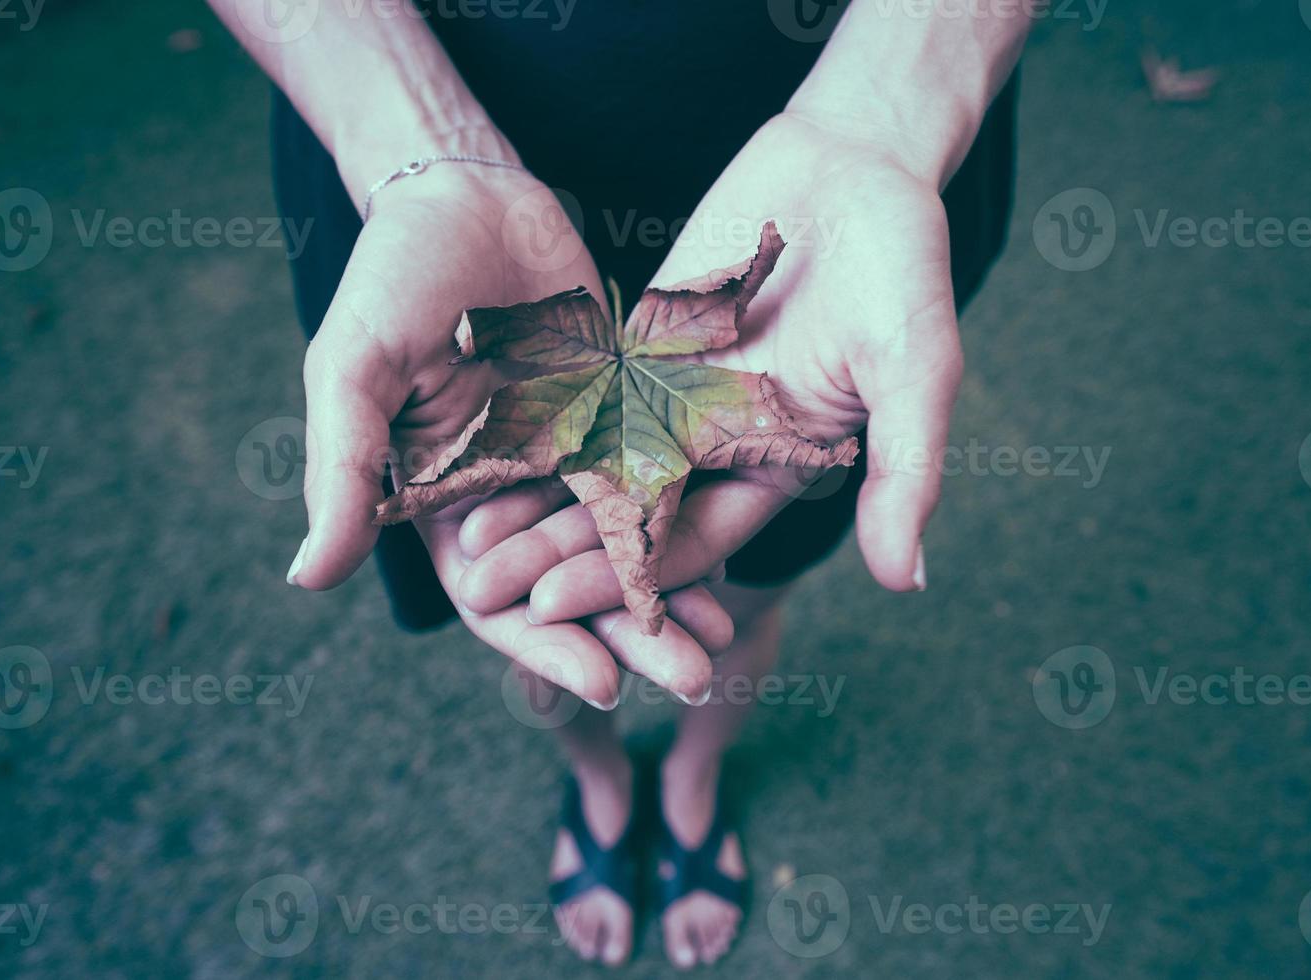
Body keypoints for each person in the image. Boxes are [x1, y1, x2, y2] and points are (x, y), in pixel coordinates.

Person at [209, 0, 1028, 967]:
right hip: (422, 174)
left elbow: (757, 288)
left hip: (820, 208)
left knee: (740, 579)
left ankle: (694, 773)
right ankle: (598, 777)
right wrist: (424, 146)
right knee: (532, 597)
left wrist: (885, 117)